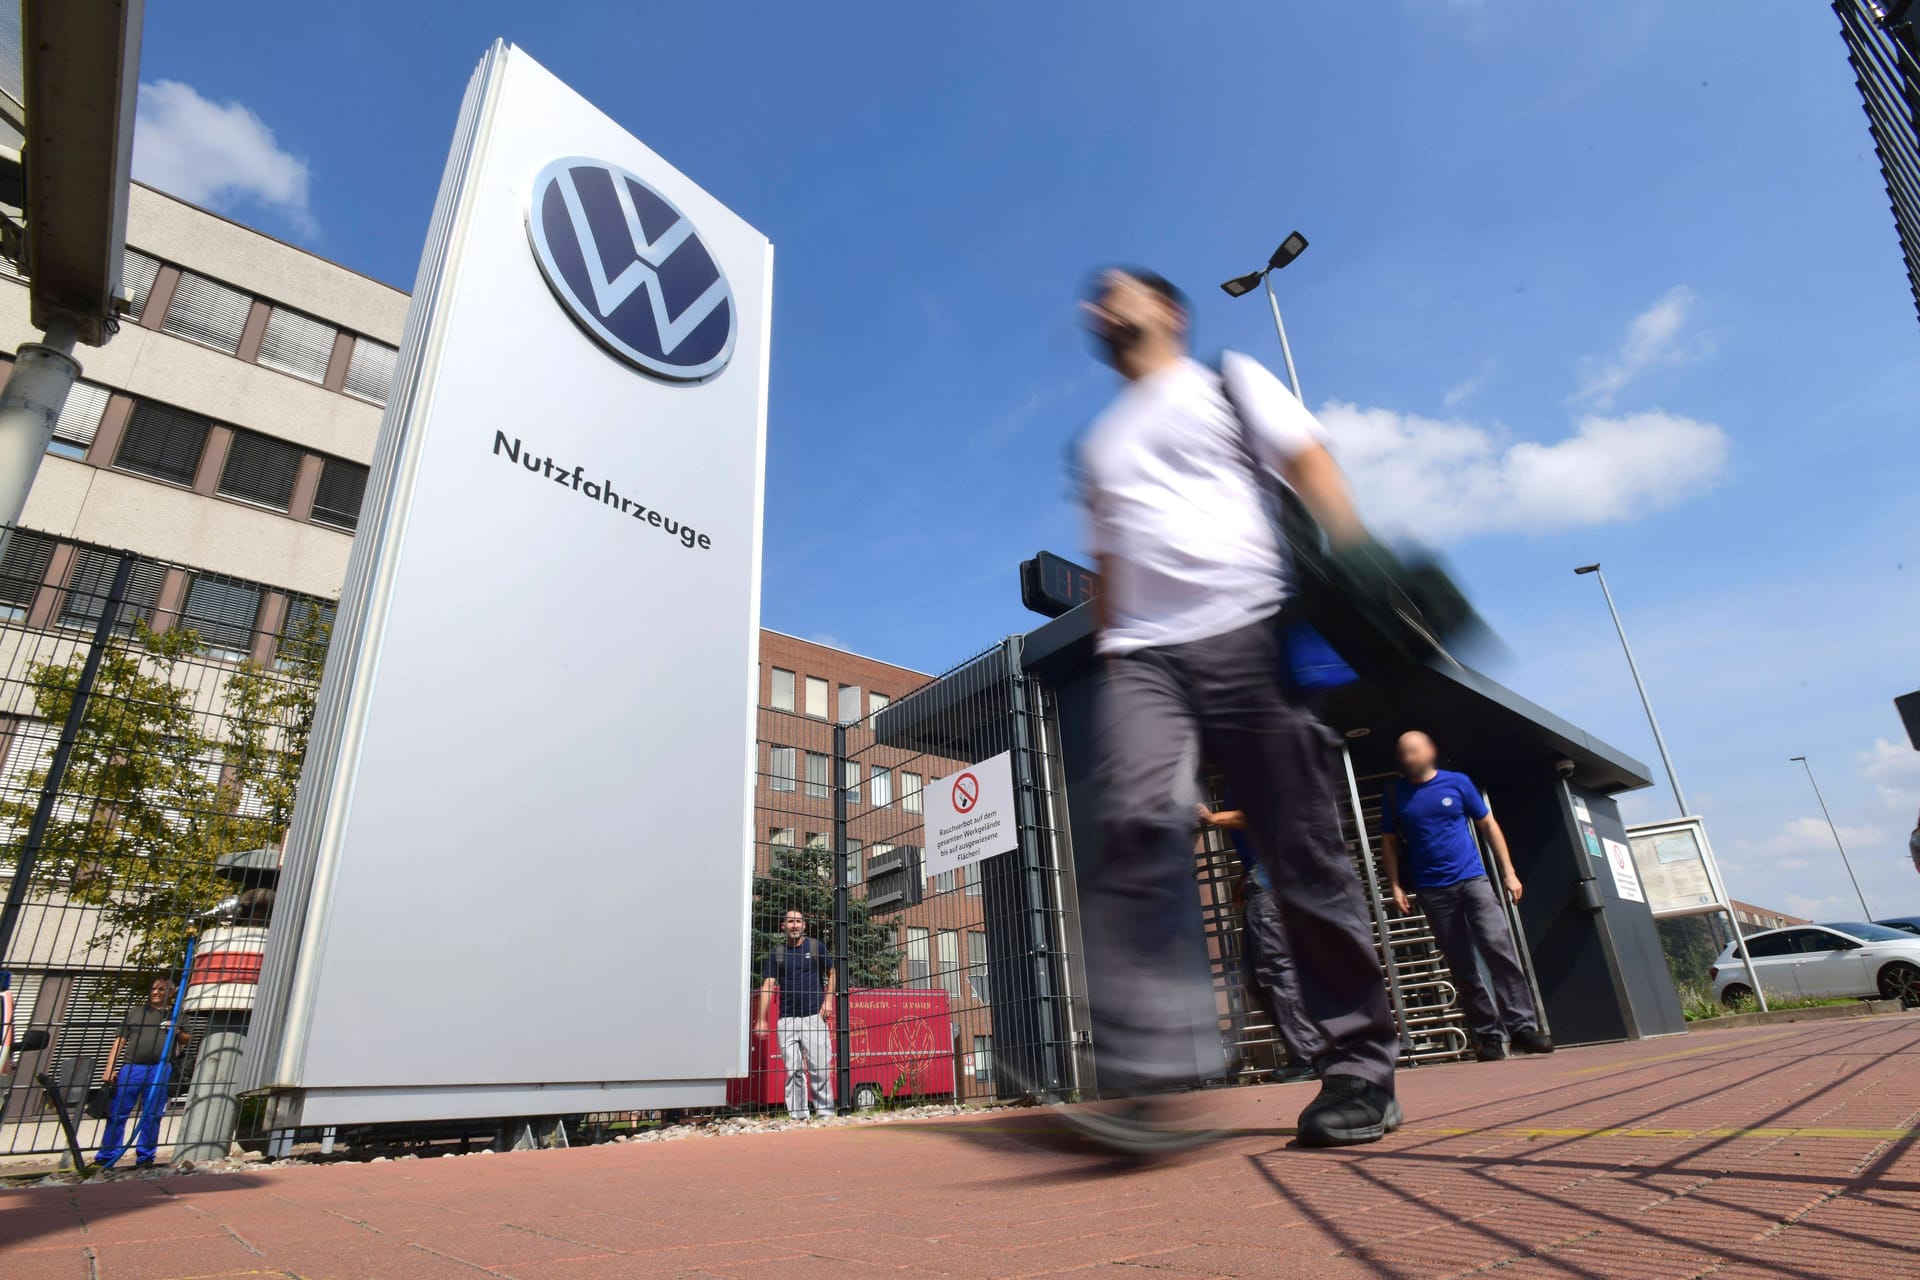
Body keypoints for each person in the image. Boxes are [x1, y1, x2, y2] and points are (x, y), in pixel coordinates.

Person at [1076, 266, 1401, 1147]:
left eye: (1113, 291)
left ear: (1169, 310)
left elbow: (1308, 459)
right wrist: (1113, 662)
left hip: (1250, 629)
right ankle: (1148, 1072)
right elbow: (1108, 559)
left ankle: (1360, 1069)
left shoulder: (1228, 380)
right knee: (1136, 818)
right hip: (1143, 657)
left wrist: (1359, 558)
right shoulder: (1099, 442)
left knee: (1301, 852)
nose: (1095, 306)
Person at [1380, 730, 1553, 1061]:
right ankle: (1488, 1035)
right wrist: (1395, 885)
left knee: (1499, 951)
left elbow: (1488, 824)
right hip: (1432, 889)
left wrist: (1509, 872)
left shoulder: (1457, 783)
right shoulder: (1394, 794)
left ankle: (1522, 1029)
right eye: (1403, 753)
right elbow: (1389, 841)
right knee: (1461, 964)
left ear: (1430, 751)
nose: (1408, 758)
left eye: (1414, 751)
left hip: (1472, 880)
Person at [1197, 803, 1324, 1081]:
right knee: (1255, 976)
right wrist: (1247, 875)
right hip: (1262, 875)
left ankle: (1309, 1055)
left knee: (1274, 969)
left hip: (1273, 879)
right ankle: (1306, 1050)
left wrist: (1212, 817)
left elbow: (1260, 814)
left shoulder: (1253, 769)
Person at [95, 977, 186, 1169]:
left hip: (161, 1068)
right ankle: (107, 1156)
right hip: (133, 1067)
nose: (155, 992)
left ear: (171, 993)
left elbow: (187, 1038)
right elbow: (119, 1040)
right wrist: (109, 1067)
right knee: (118, 1112)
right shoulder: (136, 1012)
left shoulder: (176, 1013)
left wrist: (176, 1030)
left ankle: (145, 1157)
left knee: (153, 1114)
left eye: (161, 989)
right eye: (153, 989)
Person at [755, 909, 836, 1121]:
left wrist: (828, 1001)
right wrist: (762, 1018)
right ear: (783, 926)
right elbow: (768, 984)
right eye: (790, 921)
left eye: (798, 921)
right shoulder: (778, 953)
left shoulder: (815, 947)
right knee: (794, 1070)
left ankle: (825, 1112)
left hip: (813, 1017)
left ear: (804, 926)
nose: (794, 925)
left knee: (820, 1067)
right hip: (787, 1020)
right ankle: (798, 1115)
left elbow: (831, 972)